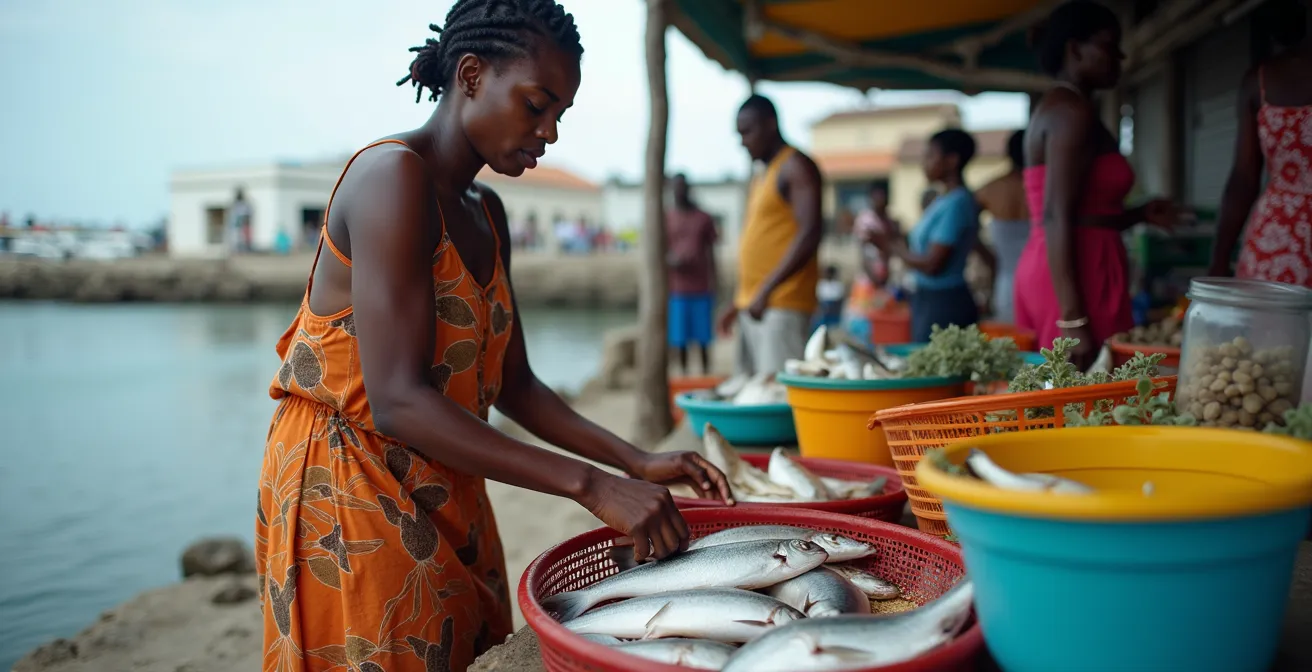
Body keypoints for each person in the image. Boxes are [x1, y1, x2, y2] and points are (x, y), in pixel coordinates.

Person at [253, 3, 732, 670]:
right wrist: (593, 486)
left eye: (561, 113)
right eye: (536, 105)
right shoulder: (391, 178)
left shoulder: (488, 211)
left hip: (450, 474)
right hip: (354, 482)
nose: (550, 132)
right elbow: (396, 400)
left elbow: (516, 384)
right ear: (472, 75)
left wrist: (637, 461)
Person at [1015, 0, 1177, 369]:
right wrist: (1072, 318)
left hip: (1071, 266)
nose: (1120, 57)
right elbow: (1054, 215)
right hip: (1075, 277)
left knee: (1083, 391)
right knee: (1087, 392)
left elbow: (1079, 211)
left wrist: (1136, 215)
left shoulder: (1069, 108)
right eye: (1109, 46)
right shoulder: (1070, 113)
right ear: (1075, 50)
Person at [718, 94, 824, 375]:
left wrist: (766, 290)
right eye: (739, 134)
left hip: (781, 304)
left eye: (748, 132)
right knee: (753, 391)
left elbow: (810, 233)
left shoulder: (795, 166)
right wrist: (739, 301)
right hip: (756, 304)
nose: (743, 142)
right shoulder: (764, 173)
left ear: (770, 124)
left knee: (777, 390)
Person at [1211, 0, 1312, 286]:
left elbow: (1243, 180)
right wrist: (1218, 263)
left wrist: (1219, 261)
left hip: (1275, 247)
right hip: (1276, 249)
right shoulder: (1259, 81)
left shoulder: (1261, 79)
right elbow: (1243, 180)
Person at [866, 129, 984, 343]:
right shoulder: (944, 201)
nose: (924, 163)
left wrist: (890, 246)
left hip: (944, 303)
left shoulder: (957, 203)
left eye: (930, 156)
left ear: (952, 160)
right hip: (929, 298)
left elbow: (932, 264)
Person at [974, 129, 1031, 323]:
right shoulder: (1049, 188)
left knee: (1012, 337)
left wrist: (988, 258)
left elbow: (965, 229)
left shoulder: (989, 189)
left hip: (1006, 280)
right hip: (1043, 278)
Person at [665, 173, 718, 375]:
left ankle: (705, 374)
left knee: (703, 337)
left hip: (701, 288)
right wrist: (671, 261)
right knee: (680, 339)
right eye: (675, 188)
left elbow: (712, 252)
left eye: (682, 187)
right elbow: (659, 250)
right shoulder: (667, 218)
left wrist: (716, 282)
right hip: (677, 290)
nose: (679, 192)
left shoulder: (703, 218)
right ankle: (684, 375)